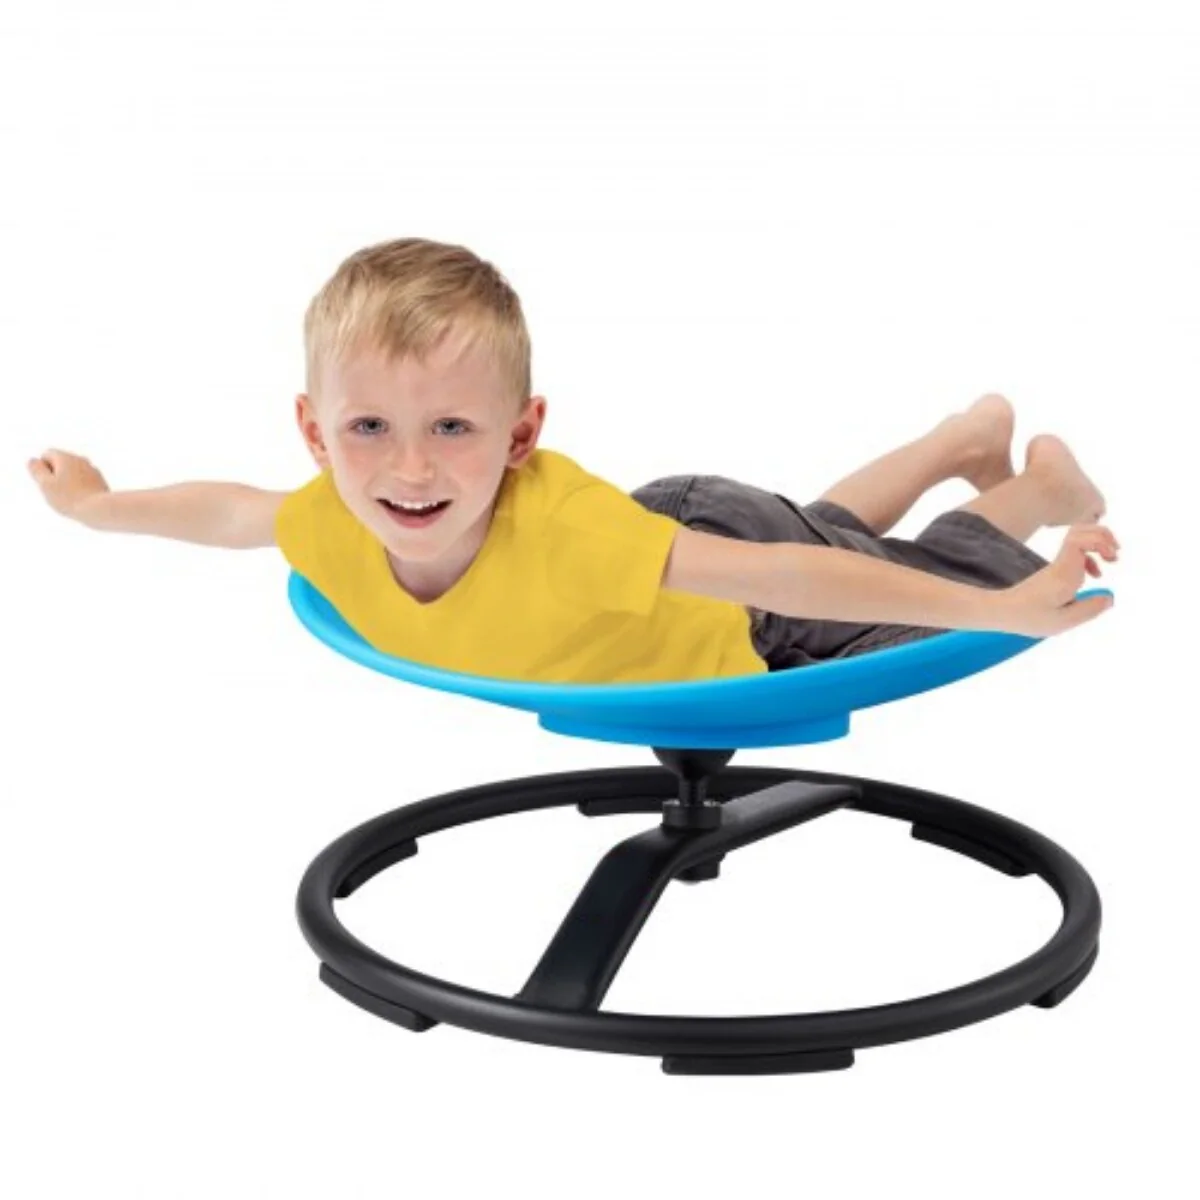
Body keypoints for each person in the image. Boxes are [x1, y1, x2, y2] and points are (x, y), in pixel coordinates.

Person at [26, 237, 1119, 684]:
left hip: (744, 607)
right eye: (369, 430)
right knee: (827, 531)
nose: (410, 471)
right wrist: (101, 508)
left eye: (452, 429)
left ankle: (1037, 487)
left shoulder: (566, 538)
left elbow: (786, 577)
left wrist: (1001, 609)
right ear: (317, 434)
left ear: (520, 435)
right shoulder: (333, 513)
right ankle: (959, 439)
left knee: (915, 582)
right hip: (675, 556)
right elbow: (231, 513)